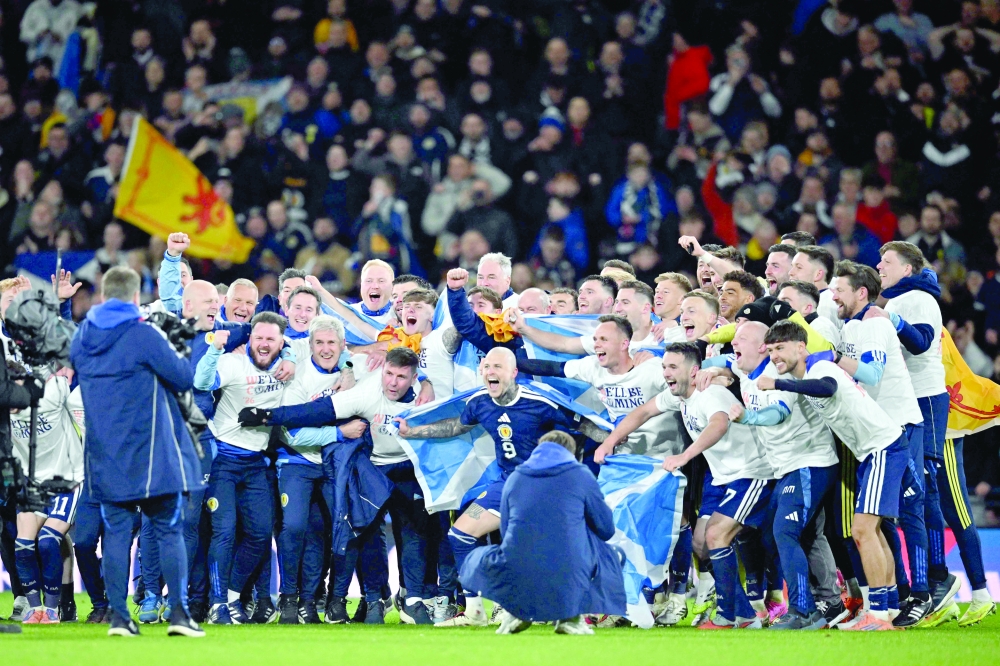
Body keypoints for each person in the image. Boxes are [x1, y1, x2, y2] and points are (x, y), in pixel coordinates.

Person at [396, 347, 607, 627]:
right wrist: (413, 432)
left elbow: (584, 423)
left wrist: (615, 441)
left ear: (514, 373)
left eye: (498, 367)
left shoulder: (540, 401)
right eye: (487, 367)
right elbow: (457, 426)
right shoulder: (480, 401)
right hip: (506, 485)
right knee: (459, 535)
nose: (491, 372)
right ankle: (474, 612)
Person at [69, 267, 205, 637]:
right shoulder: (143, 334)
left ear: (101, 296)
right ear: (133, 297)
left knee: (115, 533)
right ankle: (179, 615)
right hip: (150, 452)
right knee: (168, 529)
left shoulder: (81, 338)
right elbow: (182, 377)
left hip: (103, 454)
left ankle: (119, 618)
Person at [758, 320, 908, 631]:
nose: (775, 356)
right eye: (771, 350)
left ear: (801, 347)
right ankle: (889, 607)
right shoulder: (810, 370)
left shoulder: (818, 369)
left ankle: (878, 615)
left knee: (862, 531)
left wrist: (779, 385)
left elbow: (828, 388)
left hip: (882, 447)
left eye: (781, 348)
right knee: (873, 532)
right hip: (873, 451)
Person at [875, 241, 993, 627]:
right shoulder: (895, 301)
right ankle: (941, 582)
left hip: (933, 410)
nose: (879, 266)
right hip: (913, 407)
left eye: (886, 261)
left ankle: (980, 592)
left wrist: (889, 322)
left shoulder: (919, 299)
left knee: (953, 503)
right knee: (926, 499)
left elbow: (923, 344)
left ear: (907, 269)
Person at [831, 261, 931, 627]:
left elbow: (871, 373)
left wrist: (830, 359)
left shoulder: (873, 324)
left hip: (896, 429)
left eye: (839, 288)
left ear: (860, 292)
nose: (833, 294)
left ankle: (919, 596)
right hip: (879, 433)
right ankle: (887, 605)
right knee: (876, 525)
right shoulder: (855, 324)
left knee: (901, 514)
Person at [462, 430, 626, 635]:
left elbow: (506, 531)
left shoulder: (515, 477)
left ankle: (517, 611)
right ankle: (571, 617)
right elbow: (605, 529)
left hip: (517, 566)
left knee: (484, 555)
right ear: (570, 453)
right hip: (571, 567)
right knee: (613, 554)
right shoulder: (581, 475)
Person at [193, 312, 290, 624]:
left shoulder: (288, 367)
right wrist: (213, 350)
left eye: (271, 339)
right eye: (258, 337)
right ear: (250, 338)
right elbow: (201, 382)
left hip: (256, 464)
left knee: (261, 534)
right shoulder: (232, 362)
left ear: (281, 343)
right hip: (223, 461)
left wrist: (344, 366)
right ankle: (216, 605)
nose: (263, 343)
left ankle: (233, 598)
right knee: (224, 532)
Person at [8, 359, 84, 625]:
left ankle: (53, 609)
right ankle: (34, 608)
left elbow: (68, 363)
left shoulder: (51, 394)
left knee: (49, 540)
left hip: (68, 479)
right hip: (32, 484)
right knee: (23, 544)